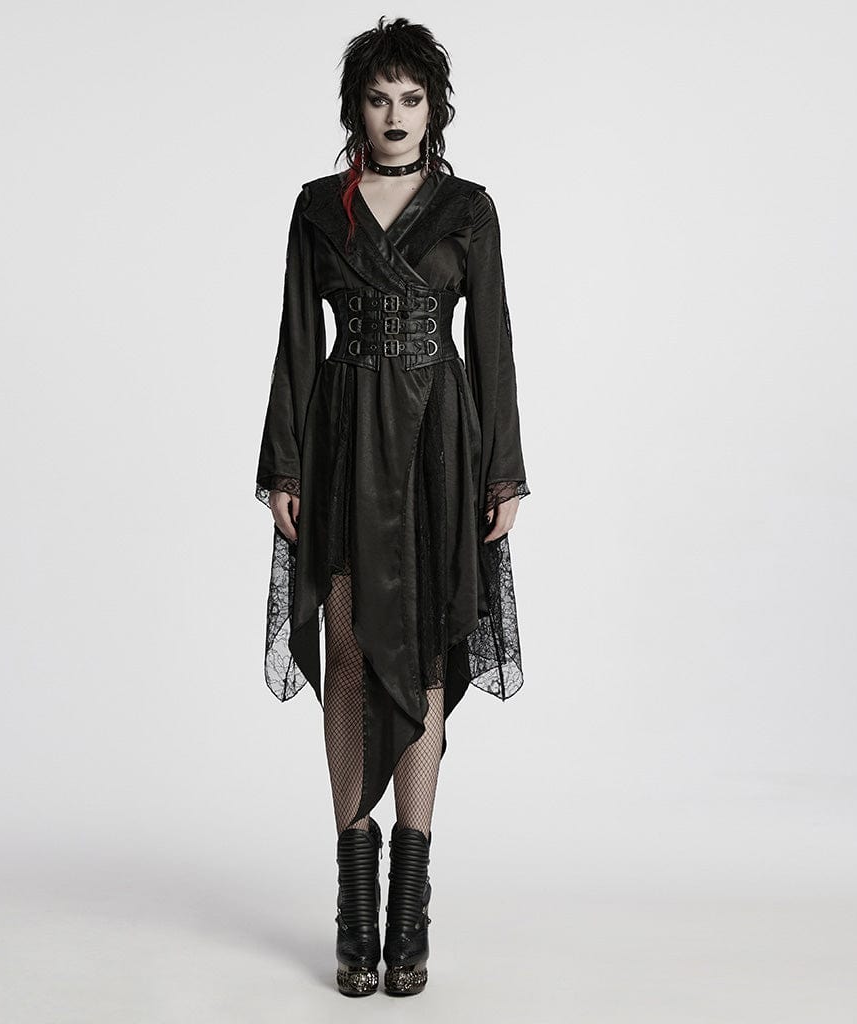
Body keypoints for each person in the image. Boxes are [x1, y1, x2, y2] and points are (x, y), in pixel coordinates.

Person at [254, 16, 530, 997]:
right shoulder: (315, 210)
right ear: (356, 110)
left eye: (412, 98)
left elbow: (492, 342)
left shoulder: (468, 210)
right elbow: (296, 340)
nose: (396, 114)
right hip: (340, 447)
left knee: (423, 651)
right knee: (348, 653)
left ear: (434, 109)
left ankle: (408, 913)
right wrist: (283, 467)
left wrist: (502, 474)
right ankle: (353, 903)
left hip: (437, 453)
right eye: (379, 98)